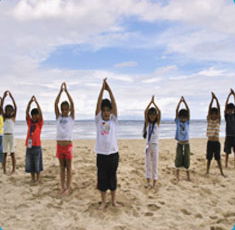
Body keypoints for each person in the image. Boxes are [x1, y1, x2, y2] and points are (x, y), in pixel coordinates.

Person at [95, 78, 119, 210]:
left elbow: (114, 105)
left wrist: (109, 90)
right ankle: (104, 202)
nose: (105, 112)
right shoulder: (98, 121)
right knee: (102, 179)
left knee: (112, 178)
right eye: (103, 110)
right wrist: (101, 89)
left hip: (113, 154)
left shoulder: (113, 121)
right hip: (101, 155)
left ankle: (114, 201)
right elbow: (98, 105)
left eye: (107, 110)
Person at [55, 82, 75, 195]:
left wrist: (66, 91)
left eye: (66, 109)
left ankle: (68, 187)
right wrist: (60, 92)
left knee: (69, 167)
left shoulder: (71, 118)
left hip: (68, 146)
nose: (64, 111)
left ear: (69, 110)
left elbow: (72, 103)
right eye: (63, 109)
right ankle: (62, 187)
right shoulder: (58, 117)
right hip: (59, 145)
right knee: (62, 168)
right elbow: (55, 103)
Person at [143, 95, 161, 189]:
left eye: (154, 114)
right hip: (148, 146)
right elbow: (145, 112)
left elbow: (160, 112)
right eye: (150, 115)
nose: (152, 116)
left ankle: (154, 184)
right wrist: (150, 103)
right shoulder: (147, 124)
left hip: (155, 146)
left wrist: (154, 103)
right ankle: (148, 183)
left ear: (156, 116)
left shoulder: (157, 124)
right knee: (148, 165)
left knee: (155, 164)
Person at [206, 92, 225, 177]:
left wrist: (216, 99)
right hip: (210, 142)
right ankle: (207, 171)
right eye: (212, 114)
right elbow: (209, 109)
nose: (214, 115)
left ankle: (221, 172)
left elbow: (219, 110)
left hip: (216, 143)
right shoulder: (209, 120)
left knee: (218, 159)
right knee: (209, 158)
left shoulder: (218, 121)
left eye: (215, 114)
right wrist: (211, 100)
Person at [25, 96, 43, 183]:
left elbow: (41, 113)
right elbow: (26, 112)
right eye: (33, 115)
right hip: (29, 146)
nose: (35, 116)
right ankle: (32, 178)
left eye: (36, 115)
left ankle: (38, 178)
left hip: (37, 146)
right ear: (31, 116)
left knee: (37, 163)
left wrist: (36, 103)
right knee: (30, 162)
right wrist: (29, 103)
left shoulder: (39, 123)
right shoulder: (30, 122)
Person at [174, 96, 191, 182]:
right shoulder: (178, 122)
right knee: (178, 159)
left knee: (187, 159)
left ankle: (188, 177)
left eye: (184, 117)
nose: (183, 119)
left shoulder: (187, 122)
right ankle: (177, 177)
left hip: (187, 143)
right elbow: (176, 111)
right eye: (182, 117)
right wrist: (180, 102)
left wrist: (185, 102)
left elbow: (188, 111)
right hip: (180, 143)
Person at [1, 90, 17, 174]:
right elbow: (1, 107)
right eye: (7, 110)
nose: (8, 111)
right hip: (5, 136)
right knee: (4, 153)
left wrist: (11, 97)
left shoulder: (13, 117)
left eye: (10, 110)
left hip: (11, 136)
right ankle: (4, 169)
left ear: (12, 111)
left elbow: (16, 106)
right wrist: (3, 97)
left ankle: (13, 169)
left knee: (12, 153)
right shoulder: (4, 117)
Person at [224, 89, 235, 168]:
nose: (230, 111)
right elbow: (225, 106)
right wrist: (229, 95)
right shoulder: (227, 116)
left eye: (231, 109)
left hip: (234, 136)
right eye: (229, 109)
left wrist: (233, 95)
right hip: (228, 136)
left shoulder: (234, 115)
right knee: (227, 152)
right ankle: (226, 164)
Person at [0, 97, 3, 165]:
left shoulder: (1, 116)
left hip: (1, 134)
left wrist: (2, 100)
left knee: (1, 149)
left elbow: (1, 108)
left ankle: (1, 160)